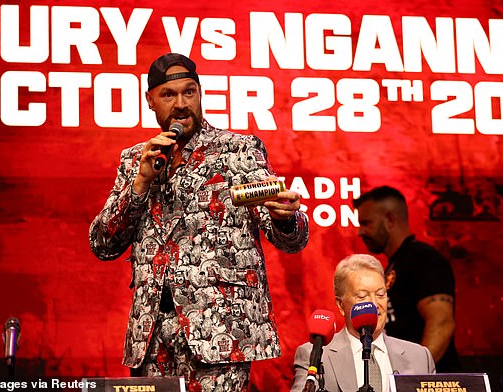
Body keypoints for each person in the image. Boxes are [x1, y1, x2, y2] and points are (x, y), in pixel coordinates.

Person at [89, 53, 309, 391]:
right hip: (151, 337)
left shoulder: (237, 150)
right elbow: (103, 245)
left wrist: (286, 218)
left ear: (200, 94)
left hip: (219, 333)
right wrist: (141, 183)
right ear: (150, 101)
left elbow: (288, 238)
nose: (181, 104)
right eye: (169, 95)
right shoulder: (136, 159)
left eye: (188, 92)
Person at [352, 186, 460, 372]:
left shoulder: (423, 258)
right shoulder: (396, 265)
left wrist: (414, 379)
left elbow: (441, 323)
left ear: (390, 220)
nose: (360, 232)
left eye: (366, 223)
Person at [291, 254, 435, 392]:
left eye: (380, 295)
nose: (374, 304)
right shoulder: (315, 355)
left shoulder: (420, 357)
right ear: (341, 305)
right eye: (362, 296)